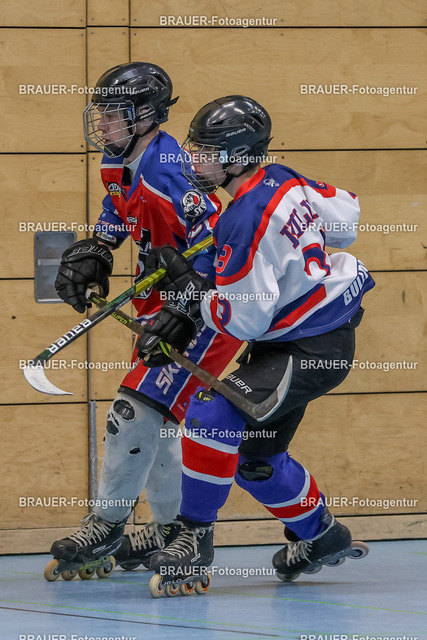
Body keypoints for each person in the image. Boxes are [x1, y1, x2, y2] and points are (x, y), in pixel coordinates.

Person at [136, 95, 375, 587]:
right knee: (256, 462)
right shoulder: (280, 177)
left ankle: (193, 537)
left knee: (211, 414)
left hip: (309, 346)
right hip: (312, 335)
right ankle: (321, 535)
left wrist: (193, 295)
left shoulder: (244, 219)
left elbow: (243, 320)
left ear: (237, 157)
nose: (193, 158)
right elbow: (346, 218)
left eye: (205, 151)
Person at [44, 64, 241, 581]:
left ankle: (106, 523)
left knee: (131, 412)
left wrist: (187, 300)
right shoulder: (118, 159)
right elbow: (116, 209)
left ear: (147, 116)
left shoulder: (170, 169)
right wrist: (98, 248)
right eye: (102, 113)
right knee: (160, 422)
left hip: (201, 310)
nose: (103, 123)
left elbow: (216, 237)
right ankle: (171, 527)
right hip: (160, 306)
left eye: (115, 114)